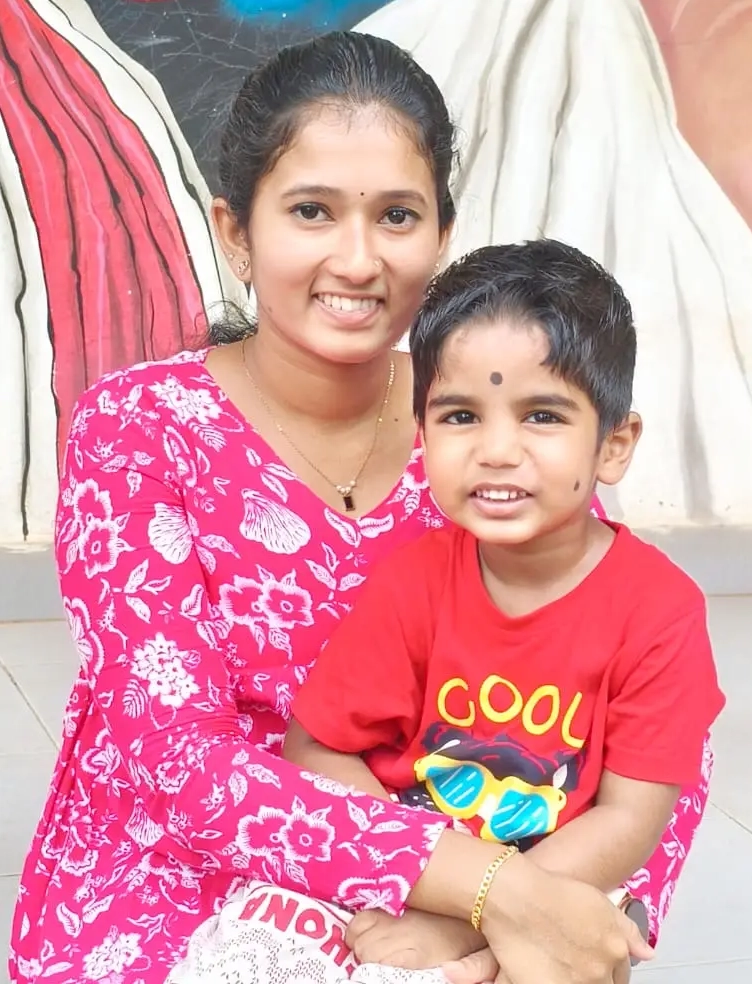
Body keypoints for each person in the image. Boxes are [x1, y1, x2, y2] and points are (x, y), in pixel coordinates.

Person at [8, 30, 696, 984]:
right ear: (236, 232)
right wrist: (497, 893)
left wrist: (505, 915)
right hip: (178, 875)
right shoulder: (138, 430)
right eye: (312, 212)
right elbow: (178, 764)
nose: (359, 258)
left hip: (453, 874)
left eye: (398, 215)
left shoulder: (492, 431)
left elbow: (635, 699)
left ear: (442, 236)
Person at [280, 240, 725, 973]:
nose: (495, 450)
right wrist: (422, 881)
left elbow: (630, 819)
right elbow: (315, 748)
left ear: (613, 445)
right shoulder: (414, 582)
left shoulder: (659, 611)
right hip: (406, 877)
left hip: (567, 875)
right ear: (422, 433)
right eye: (460, 416)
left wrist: (470, 924)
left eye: (541, 416)